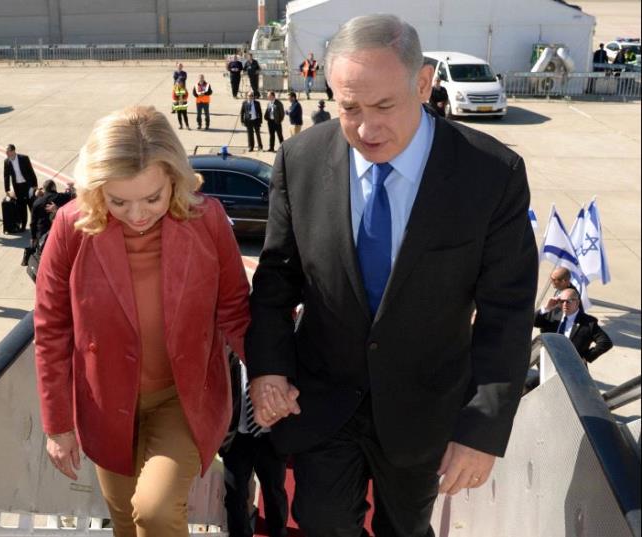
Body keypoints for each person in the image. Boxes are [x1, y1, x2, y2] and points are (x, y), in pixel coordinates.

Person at [245, 14, 538, 537]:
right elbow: (276, 280)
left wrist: (484, 430)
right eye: (349, 107)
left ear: (423, 84)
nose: (366, 128)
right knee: (321, 525)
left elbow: (506, 314)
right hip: (323, 399)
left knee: (406, 529)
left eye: (385, 106)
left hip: (424, 407)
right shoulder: (300, 159)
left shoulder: (491, 175)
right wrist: (269, 368)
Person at [34, 105, 250, 537]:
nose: (137, 215)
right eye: (118, 201)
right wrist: (58, 425)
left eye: (152, 198)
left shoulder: (206, 220)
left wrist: (267, 378)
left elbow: (235, 309)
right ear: (96, 191)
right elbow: (51, 329)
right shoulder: (71, 227)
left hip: (183, 399)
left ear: (175, 178)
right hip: (107, 402)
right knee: (124, 524)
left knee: (153, 512)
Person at [221, 355, 288, 537]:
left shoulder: (274, 359)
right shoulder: (228, 358)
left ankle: (278, 532)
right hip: (237, 439)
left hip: (270, 439)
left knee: (274, 494)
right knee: (235, 495)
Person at [535, 287, 613, 366]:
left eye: (569, 301)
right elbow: (533, 322)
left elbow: (605, 342)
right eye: (562, 301)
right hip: (547, 362)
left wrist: (586, 357)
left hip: (571, 366)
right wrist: (546, 308)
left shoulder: (588, 322)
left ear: (577, 302)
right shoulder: (552, 313)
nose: (565, 304)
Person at [3, 144, 39, 233]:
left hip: (27, 185)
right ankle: (23, 225)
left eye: (8, 151)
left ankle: (36, 225)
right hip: (18, 187)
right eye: (6, 152)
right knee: (21, 207)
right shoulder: (7, 162)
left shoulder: (24, 158)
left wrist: (35, 185)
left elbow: (31, 171)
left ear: (13, 151)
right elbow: (6, 176)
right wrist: (7, 189)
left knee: (32, 206)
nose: (7, 153)